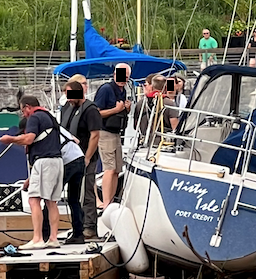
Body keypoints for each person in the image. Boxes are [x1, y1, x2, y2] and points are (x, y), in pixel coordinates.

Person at [0, 95, 63, 250]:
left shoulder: (34, 118)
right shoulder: (49, 117)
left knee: (34, 199)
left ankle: (37, 238)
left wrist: (10, 139)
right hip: (57, 161)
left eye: (23, 110)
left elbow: (28, 139)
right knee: (52, 202)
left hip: (44, 161)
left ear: (28, 107)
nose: (23, 115)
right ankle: (53, 238)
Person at [18, 117, 86, 244]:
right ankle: (78, 234)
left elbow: (47, 155)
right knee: (74, 199)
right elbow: (76, 140)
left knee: (48, 199)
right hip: (79, 158)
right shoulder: (54, 127)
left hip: (66, 163)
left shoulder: (41, 134)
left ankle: (44, 236)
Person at [61, 76, 103, 239]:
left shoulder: (90, 109)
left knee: (87, 192)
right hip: (70, 159)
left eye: (71, 95)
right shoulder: (67, 107)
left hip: (86, 156)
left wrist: (87, 157)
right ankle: (77, 226)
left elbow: (95, 135)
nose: (69, 99)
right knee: (73, 194)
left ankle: (90, 226)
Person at [94, 63, 132, 208]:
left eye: (126, 77)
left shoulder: (123, 90)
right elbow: (96, 112)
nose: (123, 79)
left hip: (117, 133)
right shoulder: (106, 89)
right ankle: (105, 203)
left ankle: (110, 202)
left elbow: (120, 111)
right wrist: (116, 110)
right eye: (121, 75)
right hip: (105, 132)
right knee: (109, 168)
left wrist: (126, 109)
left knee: (117, 169)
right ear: (114, 74)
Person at [134, 74, 179, 145]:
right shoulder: (170, 104)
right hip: (162, 144)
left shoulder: (140, 103)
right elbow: (175, 128)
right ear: (166, 87)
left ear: (152, 86)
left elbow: (135, 125)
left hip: (143, 142)